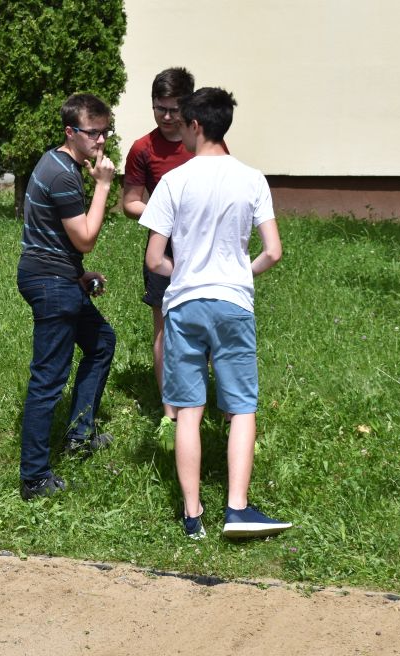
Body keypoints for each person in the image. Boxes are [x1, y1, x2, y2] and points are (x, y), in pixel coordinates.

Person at [138, 87, 291, 540]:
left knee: (188, 410)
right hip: (232, 303)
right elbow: (273, 251)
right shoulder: (252, 179)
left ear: (197, 125)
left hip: (184, 304)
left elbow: (154, 260)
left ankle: (192, 517)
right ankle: (237, 510)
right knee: (241, 407)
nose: (179, 133)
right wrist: (240, 273)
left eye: (183, 124)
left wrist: (185, 272)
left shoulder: (174, 181)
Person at [16, 93, 117, 500]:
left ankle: (79, 433)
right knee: (48, 379)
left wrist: (78, 274)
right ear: (70, 132)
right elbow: (86, 238)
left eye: (105, 132)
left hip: (57, 276)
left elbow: (53, 237)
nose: (101, 140)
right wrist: (103, 186)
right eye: (93, 133)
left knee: (102, 342)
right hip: (50, 284)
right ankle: (34, 478)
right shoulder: (62, 175)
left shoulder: (60, 164)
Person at [122, 68, 196, 430]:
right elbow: (130, 203)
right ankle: (170, 413)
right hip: (163, 249)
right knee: (164, 328)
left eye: (174, 110)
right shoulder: (143, 148)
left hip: (202, 250)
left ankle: (198, 400)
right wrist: (167, 215)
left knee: (201, 326)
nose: (166, 117)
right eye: (159, 108)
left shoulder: (205, 142)